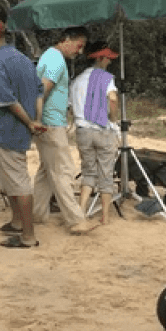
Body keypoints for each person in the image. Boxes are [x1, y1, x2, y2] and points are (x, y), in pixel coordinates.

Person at [0, 17, 44, 249]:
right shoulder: (23, 59)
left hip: (8, 129)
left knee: (18, 181)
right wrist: (36, 119)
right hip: (18, 129)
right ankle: (17, 222)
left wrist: (29, 122)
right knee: (8, 178)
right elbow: (38, 91)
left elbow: (6, 100)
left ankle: (28, 236)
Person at [32, 26, 93, 234]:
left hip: (48, 123)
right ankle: (75, 220)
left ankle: (37, 213)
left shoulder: (49, 57)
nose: (80, 51)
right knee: (62, 171)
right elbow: (42, 89)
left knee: (46, 171)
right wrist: (39, 120)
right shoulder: (56, 60)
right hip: (51, 124)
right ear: (67, 39)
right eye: (79, 46)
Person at [70, 43, 123, 225]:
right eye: (107, 58)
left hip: (82, 131)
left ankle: (81, 212)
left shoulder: (77, 81)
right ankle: (105, 216)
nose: (109, 61)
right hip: (101, 130)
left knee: (88, 172)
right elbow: (113, 99)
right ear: (100, 58)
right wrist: (113, 119)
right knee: (106, 173)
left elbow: (71, 107)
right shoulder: (105, 78)